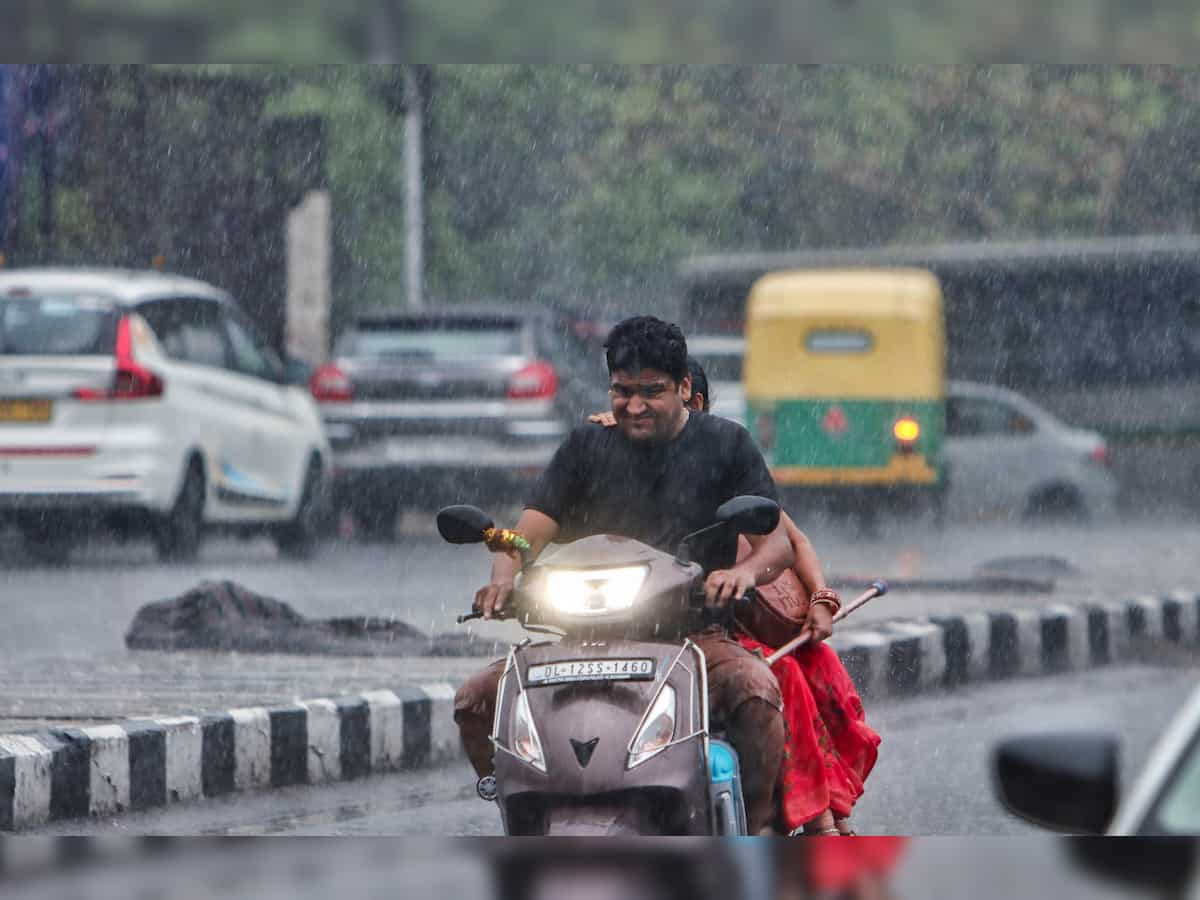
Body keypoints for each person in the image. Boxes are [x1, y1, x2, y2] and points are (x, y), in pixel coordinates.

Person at [453, 315, 821, 834]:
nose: (634, 405)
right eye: (623, 391)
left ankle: (758, 832)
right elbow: (522, 537)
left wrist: (742, 573)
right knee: (473, 699)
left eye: (652, 391)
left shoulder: (727, 444)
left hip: (692, 638)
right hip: (578, 639)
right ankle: (520, 800)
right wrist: (502, 575)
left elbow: (776, 544)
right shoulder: (586, 446)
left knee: (756, 691)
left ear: (684, 388)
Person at [592, 357, 880, 836]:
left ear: (691, 403)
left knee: (812, 665)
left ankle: (813, 815)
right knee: (781, 671)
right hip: (649, 627)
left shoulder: (722, 462)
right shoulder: (610, 455)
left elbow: (792, 540)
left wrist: (820, 602)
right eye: (628, 401)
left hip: (729, 627)